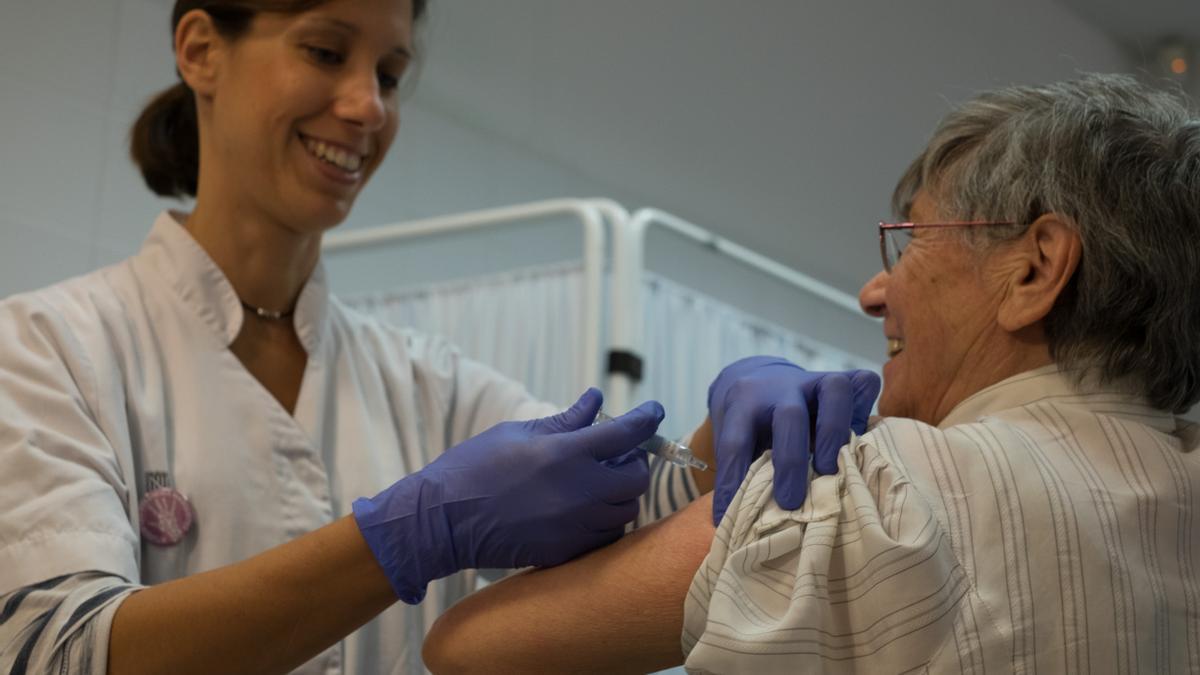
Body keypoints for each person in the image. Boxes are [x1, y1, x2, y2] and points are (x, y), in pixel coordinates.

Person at [0, 1, 880, 673]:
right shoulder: (50, 346)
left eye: (388, 72)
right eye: (324, 50)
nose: (367, 106)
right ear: (200, 50)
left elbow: (634, 508)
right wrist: (403, 539)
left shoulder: (426, 381)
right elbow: (54, 647)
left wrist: (725, 438)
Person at [421, 73, 1200, 674]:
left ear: (1034, 268)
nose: (873, 291)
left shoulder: (879, 491)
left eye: (911, 239)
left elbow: (469, 645)